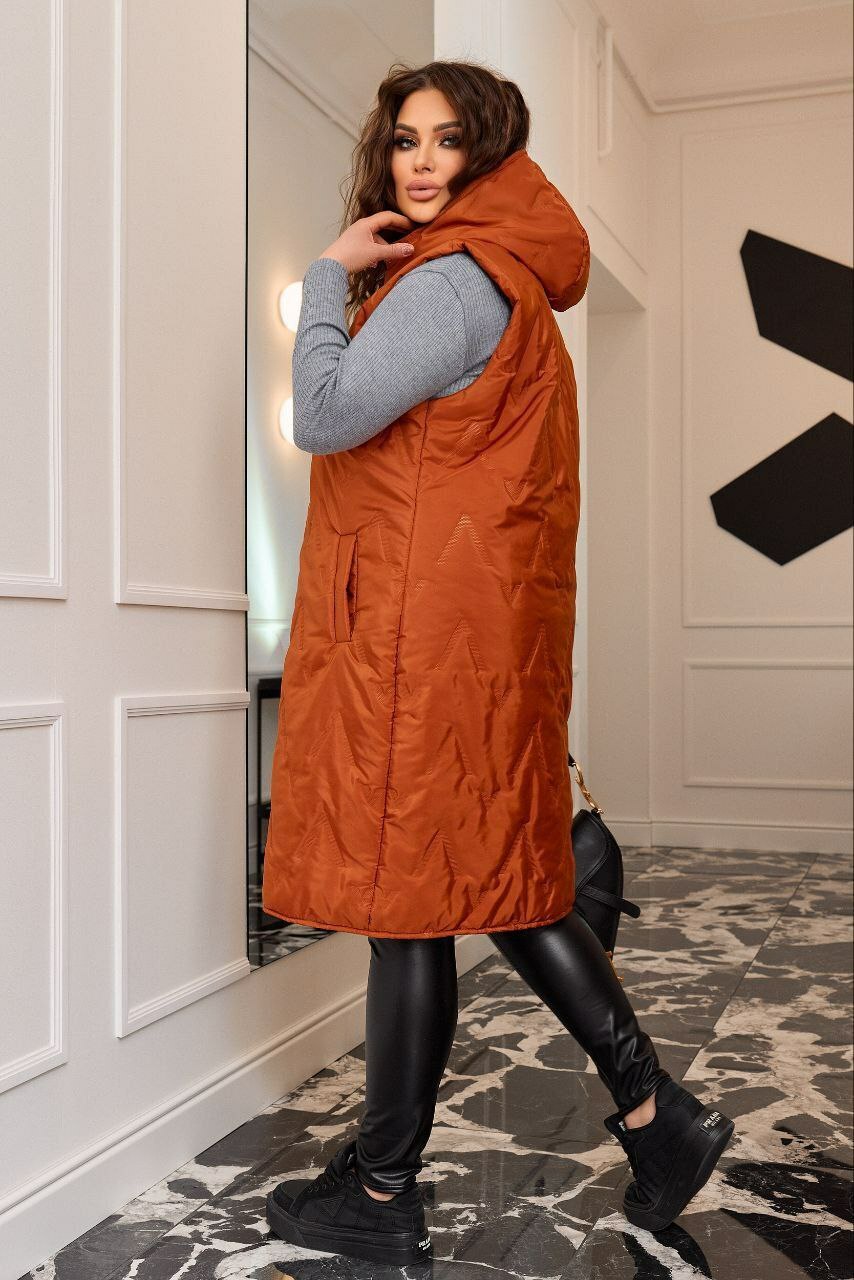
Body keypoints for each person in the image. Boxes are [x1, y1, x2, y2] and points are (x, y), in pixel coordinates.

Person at [263, 60, 734, 1266]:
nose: (421, 162)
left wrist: (325, 276)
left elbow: (322, 414)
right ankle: (655, 1116)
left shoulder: (449, 281)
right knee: (493, 885)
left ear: (488, 154)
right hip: (469, 637)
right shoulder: (504, 279)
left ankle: (382, 1190)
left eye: (446, 140)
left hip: (419, 645)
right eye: (404, 140)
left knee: (412, 908)